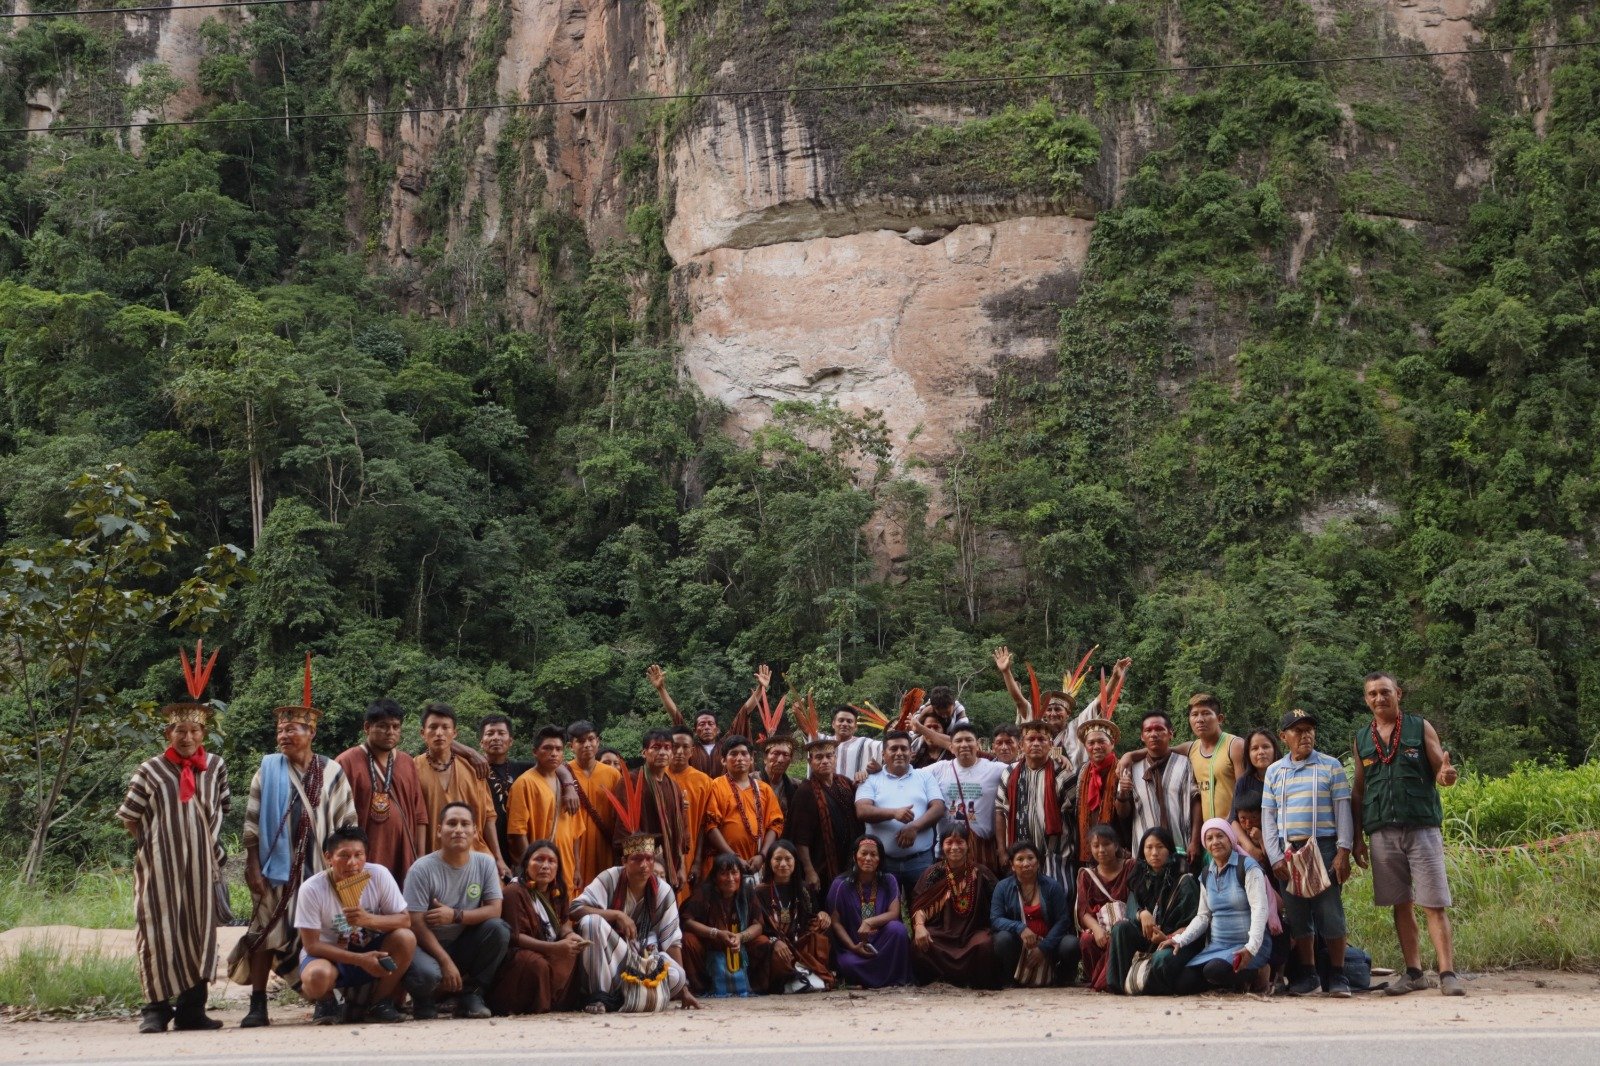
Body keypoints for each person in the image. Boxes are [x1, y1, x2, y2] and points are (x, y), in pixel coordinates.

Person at [228, 665, 358, 1028]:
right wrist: (252, 865)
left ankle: (324, 999)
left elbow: (348, 823)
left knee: (324, 931)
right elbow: (251, 824)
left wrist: (345, 867)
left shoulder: (332, 771)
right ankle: (257, 1005)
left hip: (322, 870)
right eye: (280, 729)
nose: (284, 734)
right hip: (275, 868)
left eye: (292, 728)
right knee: (263, 933)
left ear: (311, 732)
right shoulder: (266, 770)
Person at [119, 648, 230, 1034]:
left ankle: (191, 1009)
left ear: (204, 733)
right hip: (158, 870)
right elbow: (130, 819)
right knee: (156, 931)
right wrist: (157, 847)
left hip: (202, 867)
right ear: (168, 734)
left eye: (194, 731)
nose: (187, 737)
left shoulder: (216, 766)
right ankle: (154, 1008)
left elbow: (222, 809)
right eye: (179, 731)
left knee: (200, 933)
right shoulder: (149, 770)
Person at [1351, 672, 1464, 996]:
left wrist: (1446, 775)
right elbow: (1359, 791)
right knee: (1400, 903)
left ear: (1398, 693)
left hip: (1421, 828)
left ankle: (1447, 974)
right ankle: (1414, 973)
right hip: (1382, 831)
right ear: (1366, 699)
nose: (1378, 698)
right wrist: (1358, 838)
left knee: (1433, 903)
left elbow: (1439, 771)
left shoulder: (1419, 727)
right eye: (1372, 693)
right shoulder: (1362, 738)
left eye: (1385, 692)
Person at [1263, 708, 1355, 997]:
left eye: (1309, 729)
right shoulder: (1275, 771)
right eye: (1298, 730)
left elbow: (1344, 812)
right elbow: (1268, 816)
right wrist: (1275, 855)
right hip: (1289, 849)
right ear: (1284, 736)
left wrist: (1343, 852)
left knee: (1330, 912)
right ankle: (1309, 974)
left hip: (1324, 846)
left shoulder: (1330, 767)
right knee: (1298, 915)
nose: (1306, 735)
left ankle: (1339, 975)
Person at [570, 829, 701, 1012]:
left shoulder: (663, 891)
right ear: (624, 862)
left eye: (649, 859)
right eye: (637, 859)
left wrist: (683, 990)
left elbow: (671, 941)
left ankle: (624, 996)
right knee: (591, 923)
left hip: (644, 962)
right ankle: (599, 997)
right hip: (611, 960)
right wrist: (617, 915)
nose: (644, 865)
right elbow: (575, 909)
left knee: (677, 975)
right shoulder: (610, 878)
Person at [295, 826, 414, 1024]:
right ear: (328, 857)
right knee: (316, 977)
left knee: (406, 938)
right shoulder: (312, 889)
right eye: (344, 856)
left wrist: (367, 919)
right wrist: (360, 959)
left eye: (359, 855)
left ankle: (378, 1003)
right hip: (328, 954)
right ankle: (327, 1002)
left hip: (371, 950)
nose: (352, 863)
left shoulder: (379, 875)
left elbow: (405, 920)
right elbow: (311, 945)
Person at [403, 802, 510, 1019]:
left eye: (465, 824)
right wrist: (445, 961)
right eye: (452, 823)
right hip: (427, 947)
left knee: (498, 930)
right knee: (426, 975)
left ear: (474, 831)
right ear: (439, 830)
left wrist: (455, 915)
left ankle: (472, 995)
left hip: (463, 944)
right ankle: (424, 999)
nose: (458, 829)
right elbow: (414, 923)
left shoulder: (485, 863)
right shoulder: (421, 869)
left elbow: (494, 910)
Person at [1149, 819, 1271, 994]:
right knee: (1183, 984)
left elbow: (1260, 909)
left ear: (1230, 839)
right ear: (1205, 844)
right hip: (1218, 947)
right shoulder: (1206, 873)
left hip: (1248, 945)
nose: (1215, 842)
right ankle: (1232, 980)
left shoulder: (1248, 867)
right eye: (1209, 838)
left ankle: (1258, 972)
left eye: (1220, 836)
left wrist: (1251, 948)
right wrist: (1179, 940)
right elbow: (1203, 917)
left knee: (1214, 971)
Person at [487, 839, 585, 1015]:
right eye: (539, 859)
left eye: (551, 861)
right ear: (526, 864)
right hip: (519, 954)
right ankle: (535, 1004)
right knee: (536, 964)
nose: (545, 866)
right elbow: (516, 938)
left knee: (573, 953)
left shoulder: (559, 891)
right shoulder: (514, 892)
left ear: (557, 867)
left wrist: (570, 935)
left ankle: (558, 1002)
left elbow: (563, 923)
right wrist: (555, 948)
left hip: (549, 948)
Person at [412, 703, 510, 879]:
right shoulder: (413, 769)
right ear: (422, 733)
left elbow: (488, 815)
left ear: (454, 733)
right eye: (433, 727)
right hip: (432, 859)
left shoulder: (472, 769)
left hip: (473, 856)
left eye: (445, 727)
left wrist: (498, 858)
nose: (439, 733)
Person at [336, 699, 429, 885]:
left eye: (396, 726)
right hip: (362, 855)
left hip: (402, 852)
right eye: (383, 726)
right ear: (367, 727)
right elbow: (335, 818)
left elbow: (420, 814)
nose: (390, 732)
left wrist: (420, 856)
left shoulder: (407, 762)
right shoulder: (346, 762)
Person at [993, 646, 1129, 767]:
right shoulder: (1036, 728)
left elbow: (1098, 703)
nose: (1052, 713)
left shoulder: (1076, 728)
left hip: (1071, 787)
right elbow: (1019, 701)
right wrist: (1006, 672)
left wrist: (1115, 678)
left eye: (1058, 709)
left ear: (1068, 713)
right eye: (1049, 709)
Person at [1106, 827, 1200, 994]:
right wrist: (1142, 913)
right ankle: (1120, 987)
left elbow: (1194, 924)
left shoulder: (1184, 880)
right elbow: (1130, 909)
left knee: (1160, 959)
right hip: (1151, 939)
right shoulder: (1140, 876)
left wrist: (1169, 938)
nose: (1154, 853)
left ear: (1169, 850)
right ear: (1143, 851)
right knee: (1120, 928)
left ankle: (1146, 987)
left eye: (1160, 847)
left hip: (1178, 942)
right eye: (1149, 848)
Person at [909, 825, 999, 988]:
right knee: (920, 944)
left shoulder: (981, 873)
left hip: (972, 933)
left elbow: (997, 905)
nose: (954, 847)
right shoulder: (933, 874)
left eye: (960, 842)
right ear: (942, 846)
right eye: (949, 842)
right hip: (941, 933)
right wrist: (920, 926)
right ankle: (935, 982)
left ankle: (976, 983)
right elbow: (918, 906)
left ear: (968, 845)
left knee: (984, 944)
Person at [855, 730, 946, 890]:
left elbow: (938, 807)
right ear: (883, 754)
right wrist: (894, 813)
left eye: (904, 749)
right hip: (882, 862)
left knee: (923, 910)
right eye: (893, 749)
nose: (899, 753)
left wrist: (914, 827)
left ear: (911, 753)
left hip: (920, 861)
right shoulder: (870, 779)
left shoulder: (925, 776)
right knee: (884, 910)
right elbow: (862, 811)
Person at [507, 725, 587, 900]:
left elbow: (576, 833)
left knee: (564, 915)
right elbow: (517, 832)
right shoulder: (525, 783)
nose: (554, 753)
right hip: (540, 867)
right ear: (535, 751)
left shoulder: (566, 786)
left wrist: (577, 868)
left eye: (558, 749)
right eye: (547, 748)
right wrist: (529, 869)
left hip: (565, 865)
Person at [1115, 711, 1202, 869]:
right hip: (1145, 852)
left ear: (1170, 734)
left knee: (1181, 890)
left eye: (1159, 729)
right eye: (1148, 730)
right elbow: (1123, 814)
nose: (1154, 734)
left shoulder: (1185, 764)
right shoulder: (1130, 768)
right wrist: (1123, 794)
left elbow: (1196, 802)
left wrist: (1195, 841)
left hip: (1181, 846)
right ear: (1142, 736)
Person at [994, 717, 1075, 884]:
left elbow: (1076, 815)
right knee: (1021, 902)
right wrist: (1002, 851)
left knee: (1058, 898)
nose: (1036, 743)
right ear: (1022, 745)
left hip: (1056, 854)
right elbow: (1000, 812)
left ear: (1051, 745)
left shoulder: (1064, 774)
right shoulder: (1009, 773)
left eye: (1041, 739)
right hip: (1019, 855)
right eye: (1031, 739)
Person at [647, 662, 762, 778]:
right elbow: (676, 715)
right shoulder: (690, 749)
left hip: (723, 794)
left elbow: (744, 713)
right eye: (702, 724)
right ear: (695, 730)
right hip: (697, 794)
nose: (706, 727)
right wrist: (661, 689)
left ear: (717, 729)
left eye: (710, 724)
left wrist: (760, 688)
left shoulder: (726, 746)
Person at [826, 835, 913, 988]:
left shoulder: (889, 880)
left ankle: (893, 979)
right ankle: (875, 977)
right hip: (854, 945)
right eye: (863, 853)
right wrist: (853, 947)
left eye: (873, 854)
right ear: (855, 856)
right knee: (848, 964)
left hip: (881, 942)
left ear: (880, 859)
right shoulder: (840, 884)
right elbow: (836, 922)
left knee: (898, 929)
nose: (868, 858)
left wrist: (869, 921)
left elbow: (894, 913)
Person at [990, 842, 1079, 987]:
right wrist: (1019, 927)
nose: (1026, 863)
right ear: (1012, 865)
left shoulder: (1052, 886)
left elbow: (1063, 921)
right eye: (1020, 859)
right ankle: (1010, 979)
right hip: (1019, 946)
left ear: (1038, 863)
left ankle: (1063, 979)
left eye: (1030, 858)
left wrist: (1044, 947)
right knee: (1002, 939)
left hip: (1050, 944)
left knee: (1071, 944)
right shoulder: (1002, 887)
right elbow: (995, 919)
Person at [681, 854, 768, 996]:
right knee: (688, 940)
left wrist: (740, 937)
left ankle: (753, 986)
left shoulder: (747, 892)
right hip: (710, 947)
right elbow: (687, 921)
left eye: (734, 873)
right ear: (715, 877)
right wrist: (716, 933)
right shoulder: (705, 893)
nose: (730, 878)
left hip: (740, 946)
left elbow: (758, 924)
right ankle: (702, 988)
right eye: (724, 874)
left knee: (763, 942)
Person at [616, 729, 691, 893]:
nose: (662, 752)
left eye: (667, 747)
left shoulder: (674, 787)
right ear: (644, 752)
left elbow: (682, 832)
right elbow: (624, 831)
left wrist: (681, 867)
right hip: (641, 866)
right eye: (656, 747)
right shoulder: (631, 782)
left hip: (671, 865)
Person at [756, 840, 835, 991]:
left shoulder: (804, 889)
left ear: (795, 862)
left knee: (824, 929)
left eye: (788, 859)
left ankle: (803, 977)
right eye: (778, 859)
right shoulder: (759, 892)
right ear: (769, 862)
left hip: (800, 942)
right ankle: (793, 979)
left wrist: (822, 915)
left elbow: (812, 916)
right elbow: (757, 925)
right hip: (776, 945)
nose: (783, 864)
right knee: (771, 951)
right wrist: (774, 942)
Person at [927, 723, 1006, 872]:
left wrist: (1060, 758)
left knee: (980, 892)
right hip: (948, 849)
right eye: (958, 741)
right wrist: (875, 771)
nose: (964, 744)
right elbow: (909, 775)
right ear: (951, 747)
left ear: (978, 745)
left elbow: (1025, 766)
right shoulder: (938, 769)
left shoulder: (995, 769)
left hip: (982, 849)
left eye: (969, 740)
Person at [787, 735, 862, 892]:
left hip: (849, 858)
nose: (825, 761)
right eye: (819, 757)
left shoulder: (845, 783)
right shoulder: (805, 791)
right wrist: (809, 870)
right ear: (810, 762)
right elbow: (800, 837)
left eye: (829, 756)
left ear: (835, 758)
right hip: (821, 863)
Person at [705, 735, 785, 875]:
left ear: (752, 759)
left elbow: (775, 824)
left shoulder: (764, 789)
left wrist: (762, 855)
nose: (739, 758)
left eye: (744, 753)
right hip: (725, 863)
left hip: (759, 863)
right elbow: (710, 825)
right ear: (723, 760)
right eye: (733, 754)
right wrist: (734, 858)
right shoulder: (715, 786)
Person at [565, 719, 622, 893]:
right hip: (573, 845)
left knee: (605, 890)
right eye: (581, 741)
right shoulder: (563, 773)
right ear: (571, 746)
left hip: (604, 844)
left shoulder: (612, 774)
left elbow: (621, 814)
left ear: (598, 741)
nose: (587, 745)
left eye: (591, 739)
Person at [1074, 824, 1131, 991]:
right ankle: (1097, 979)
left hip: (1125, 925)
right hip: (1100, 926)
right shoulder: (1086, 875)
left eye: (1106, 844)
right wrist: (1097, 929)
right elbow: (1083, 911)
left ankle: (1108, 980)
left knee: (1119, 934)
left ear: (1116, 845)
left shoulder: (1130, 867)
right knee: (1086, 939)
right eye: (1096, 845)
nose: (1101, 850)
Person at [1064, 718, 1122, 868]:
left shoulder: (1122, 770)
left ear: (1112, 743)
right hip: (1087, 846)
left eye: (1101, 741)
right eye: (1091, 743)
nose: (1096, 747)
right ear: (1085, 746)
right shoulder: (1081, 773)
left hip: (1118, 845)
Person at [666, 725, 715, 900]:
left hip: (691, 853)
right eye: (674, 746)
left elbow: (705, 824)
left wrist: (697, 860)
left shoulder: (704, 782)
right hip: (661, 854)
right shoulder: (657, 776)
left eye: (685, 747)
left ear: (692, 751)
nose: (679, 751)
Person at [478, 714, 531, 866]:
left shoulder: (523, 769)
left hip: (518, 845)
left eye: (501, 733)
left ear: (511, 741)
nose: (496, 738)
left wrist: (568, 785)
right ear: (482, 742)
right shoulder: (472, 769)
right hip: (485, 845)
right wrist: (471, 754)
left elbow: (552, 762)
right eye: (490, 733)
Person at [829, 704, 883, 784]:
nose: (844, 724)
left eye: (849, 721)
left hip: (856, 794)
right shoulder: (824, 742)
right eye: (841, 720)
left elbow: (890, 747)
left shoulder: (865, 744)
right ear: (833, 724)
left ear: (855, 727)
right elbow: (807, 732)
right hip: (825, 794)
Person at [755, 736, 800, 817]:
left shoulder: (796, 786)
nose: (780, 760)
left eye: (786, 755)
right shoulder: (750, 781)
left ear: (791, 759)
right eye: (775, 753)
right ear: (765, 758)